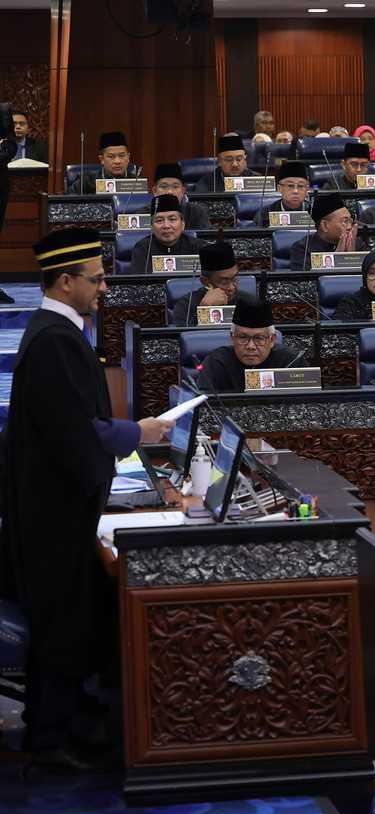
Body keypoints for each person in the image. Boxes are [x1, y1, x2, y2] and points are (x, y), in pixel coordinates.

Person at [0, 228, 172, 773]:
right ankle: (49, 741)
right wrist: (138, 434)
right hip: (54, 517)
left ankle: (73, 722)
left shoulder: (59, 330)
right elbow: (77, 434)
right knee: (60, 628)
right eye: (96, 279)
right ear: (66, 280)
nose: (103, 288)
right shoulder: (54, 338)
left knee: (79, 621)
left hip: (61, 509)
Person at [197, 301, 304, 393]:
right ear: (232, 338)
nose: (251, 346)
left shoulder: (291, 362)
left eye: (259, 338)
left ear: (272, 340)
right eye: (243, 337)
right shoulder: (217, 362)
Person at [170, 242, 244, 326]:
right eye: (224, 282)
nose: (232, 287)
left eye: (235, 278)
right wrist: (204, 309)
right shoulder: (186, 305)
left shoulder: (248, 301)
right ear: (205, 281)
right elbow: (184, 336)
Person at [289, 194, 367, 270]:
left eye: (351, 221)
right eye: (345, 221)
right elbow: (305, 281)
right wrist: (337, 260)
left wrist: (352, 259)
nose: (350, 227)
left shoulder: (357, 243)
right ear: (324, 226)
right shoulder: (303, 249)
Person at [131, 194, 201, 272]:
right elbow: (140, 282)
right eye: (159, 220)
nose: (166, 226)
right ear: (151, 227)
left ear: (182, 224)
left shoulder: (197, 246)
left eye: (172, 219)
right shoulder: (142, 248)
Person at [68, 131, 137, 193]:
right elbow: (66, 203)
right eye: (111, 156)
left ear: (128, 157)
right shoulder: (87, 181)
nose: (117, 161)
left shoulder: (136, 182)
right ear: (102, 159)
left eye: (121, 156)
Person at [253, 160, 312, 227]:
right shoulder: (265, 214)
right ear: (279, 188)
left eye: (300, 186)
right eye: (290, 186)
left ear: (307, 189)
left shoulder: (314, 212)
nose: (295, 191)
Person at [193, 134, 258, 193]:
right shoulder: (207, 182)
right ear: (219, 161)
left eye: (239, 159)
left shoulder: (256, 179)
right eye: (229, 160)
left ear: (245, 159)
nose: (235, 164)